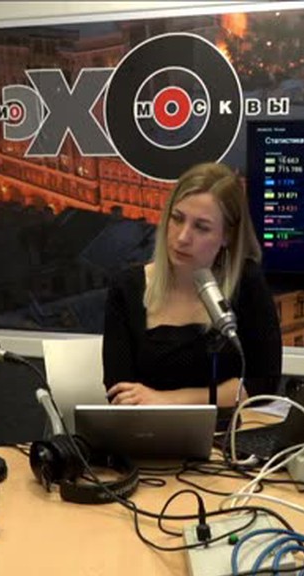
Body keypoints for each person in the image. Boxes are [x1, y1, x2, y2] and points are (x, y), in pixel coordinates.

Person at [102, 162, 283, 407]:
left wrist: (166, 400)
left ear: (227, 235)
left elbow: (263, 384)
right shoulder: (127, 288)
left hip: (229, 428)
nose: (183, 237)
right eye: (177, 219)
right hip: (147, 428)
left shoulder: (246, 282)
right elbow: (120, 392)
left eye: (201, 227)